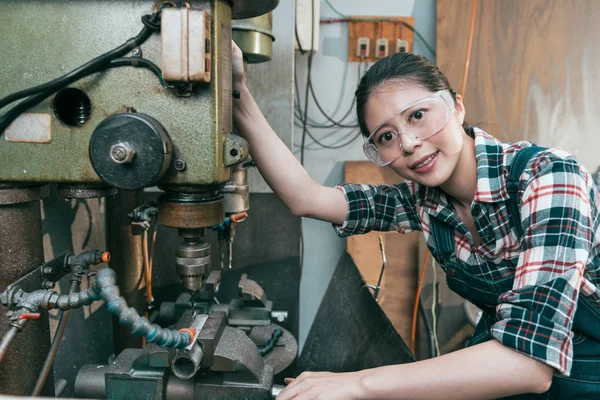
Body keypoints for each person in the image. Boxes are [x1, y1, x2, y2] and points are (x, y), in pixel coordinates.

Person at [231, 41, 600, 399]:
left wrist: (355, 384)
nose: (407, 143)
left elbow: (529, 365)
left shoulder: (548, 177)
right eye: (387, 136)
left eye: (418, 116)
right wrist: (237, 95)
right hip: (506, 358)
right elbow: (306, 198)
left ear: (456, 106)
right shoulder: (422, 201)